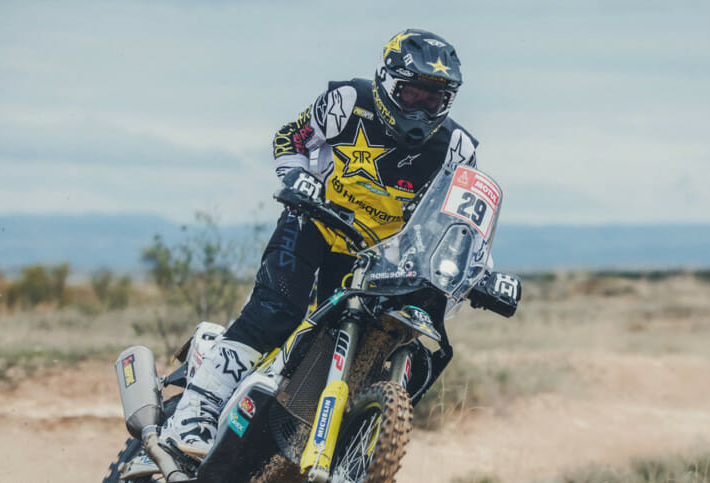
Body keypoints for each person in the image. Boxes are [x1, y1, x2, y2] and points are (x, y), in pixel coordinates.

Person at [160, 28, 479, 460]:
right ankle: (195, 412)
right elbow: (291, 137)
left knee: (350, 344)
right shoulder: (348, 101)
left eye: (434, 100)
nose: (422, 109)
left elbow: (460, 221)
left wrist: (479, 267)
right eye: (413, 94)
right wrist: (297, 176)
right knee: (275, 313)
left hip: (375, 259)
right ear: (388, 83)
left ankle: (311, 445)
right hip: (313, 222)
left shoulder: (457, 148)